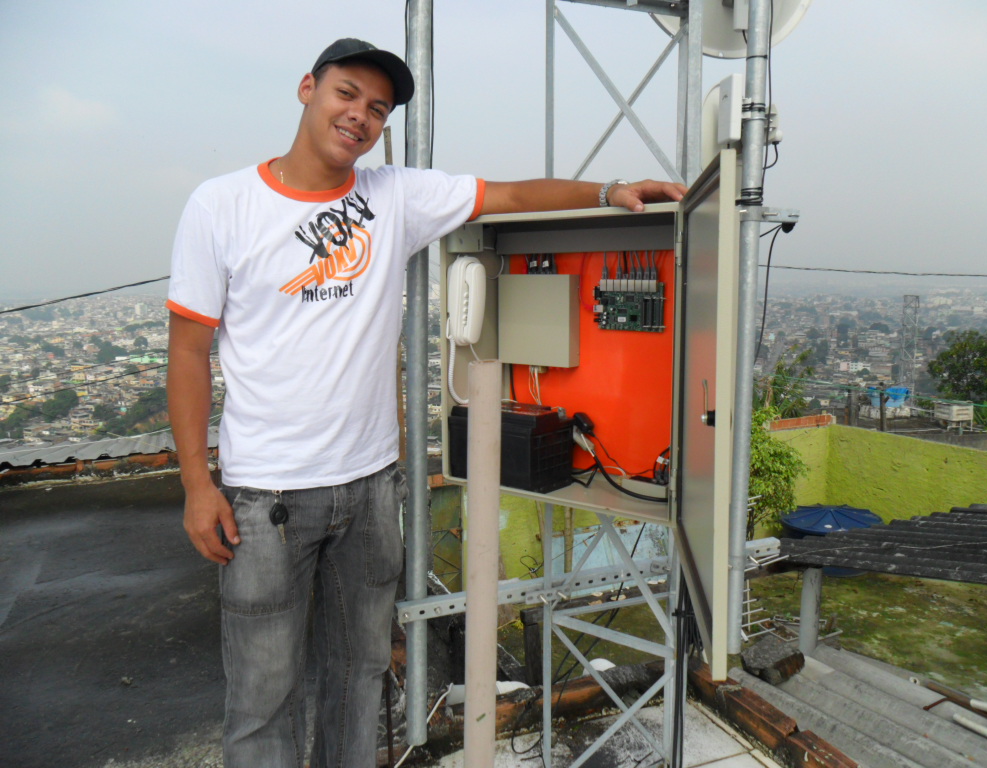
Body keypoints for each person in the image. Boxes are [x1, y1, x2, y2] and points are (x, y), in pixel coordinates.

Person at [167, 37, 685, 768]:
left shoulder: (394, 196)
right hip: (266, 496)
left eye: (378, 109)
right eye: (347, 94)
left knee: (359, 680)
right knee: (262, 697)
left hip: (370, 489)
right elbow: (188, 352)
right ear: (308, 88)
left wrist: (609, 193)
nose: (361, 115)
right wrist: (198, 484)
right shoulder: (222, 205)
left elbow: (510, 196)